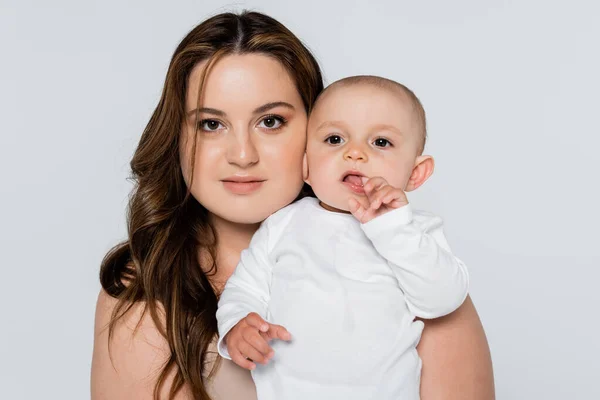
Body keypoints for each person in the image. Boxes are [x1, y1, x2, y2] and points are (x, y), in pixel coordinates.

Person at [91, 11, 495, 400]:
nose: (243, 154)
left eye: (270, 121)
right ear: (176, 138)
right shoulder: (144, 284)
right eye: (211, 124)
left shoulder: (417, 269)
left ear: (316, 126)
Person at [217, 76, 469, 400]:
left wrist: (392, 228)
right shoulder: (282, 225)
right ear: (306, 166)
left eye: (380, 142)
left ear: (415, 174)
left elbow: (443, 299)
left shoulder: (413, 231)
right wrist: (238, 324)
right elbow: (244, 289)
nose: (355, 153)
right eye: (335, 139)